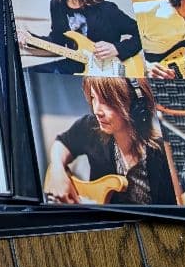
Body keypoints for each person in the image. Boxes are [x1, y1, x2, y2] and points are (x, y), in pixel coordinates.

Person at [44, 77, 176, 205]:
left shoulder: (162, 153)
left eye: (106, 101)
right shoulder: (91, 126)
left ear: (136, 107)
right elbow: (62, 143)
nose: (97, 111)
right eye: (93, 98)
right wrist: (57, 171)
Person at [15, 0, 141, 75]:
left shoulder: (107, 10)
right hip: (73, 66)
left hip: (106, 71)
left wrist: (117, 48)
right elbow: (57, 40)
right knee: (27, 73)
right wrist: (30, 38)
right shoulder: (57, 5)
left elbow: (140, 35)